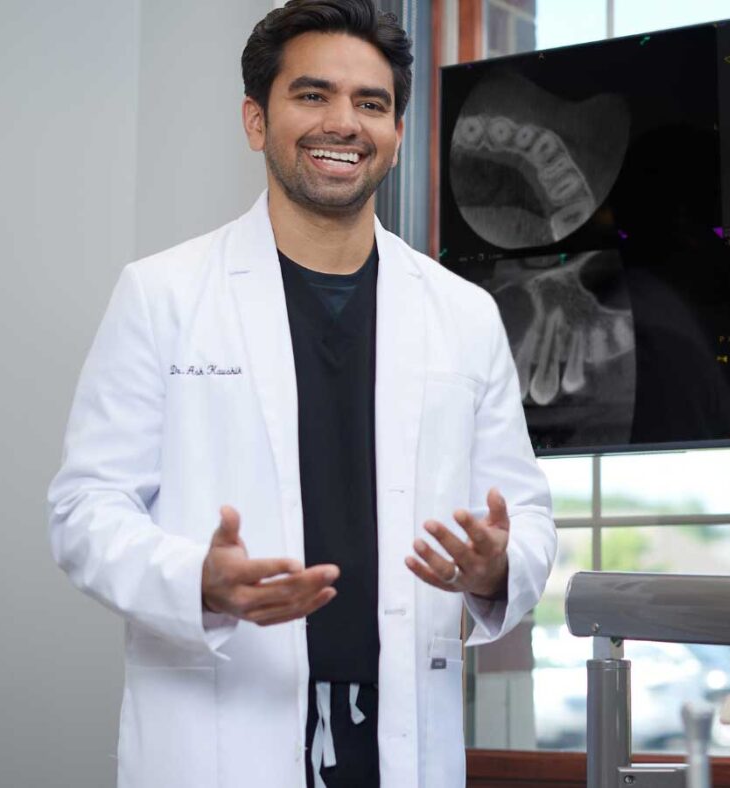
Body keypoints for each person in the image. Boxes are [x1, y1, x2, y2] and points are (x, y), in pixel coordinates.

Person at [47, 2, 555, 786]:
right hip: (223, 733)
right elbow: (84, 510)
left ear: (394, 134)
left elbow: (524, 519)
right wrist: (195, 580)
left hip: (402, 740)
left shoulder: (463, 313)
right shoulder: (164, 296)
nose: (344, 123)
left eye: (372, 103)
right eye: (312, 95)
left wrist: (494, 568)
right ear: (257, 120)